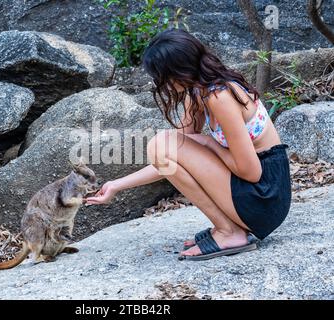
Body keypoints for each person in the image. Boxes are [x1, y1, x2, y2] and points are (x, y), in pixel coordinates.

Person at [83, 28, 292, 261]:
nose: (160, 84)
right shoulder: (199, 93)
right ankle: (227, 228)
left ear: (177, 72)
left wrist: (207, 142)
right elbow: (168, 159)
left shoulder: (220, 96)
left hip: (266, 197)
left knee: (162, 142)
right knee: (163, 144)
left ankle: (229, 232)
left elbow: (251, 173)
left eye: (161, 77)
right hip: (253, 194)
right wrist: (117, 185)